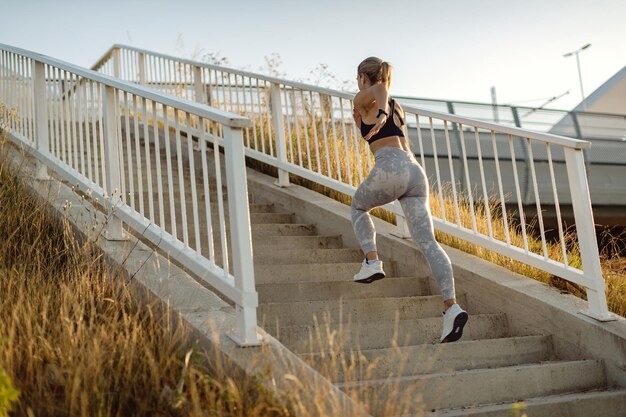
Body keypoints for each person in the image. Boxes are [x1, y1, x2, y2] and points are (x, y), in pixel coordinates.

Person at [351, 57, 468, 343]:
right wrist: (369, 121)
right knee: (428, 243)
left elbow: (379, 92)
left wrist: (377, 113)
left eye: (358, 79)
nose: (358, 84)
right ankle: (451, 307)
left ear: (363, 77)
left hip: (391, 165)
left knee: (357, 207)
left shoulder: (369, 93)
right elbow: (380, 121)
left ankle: (372, 260)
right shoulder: (396, 106)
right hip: (414, 172)